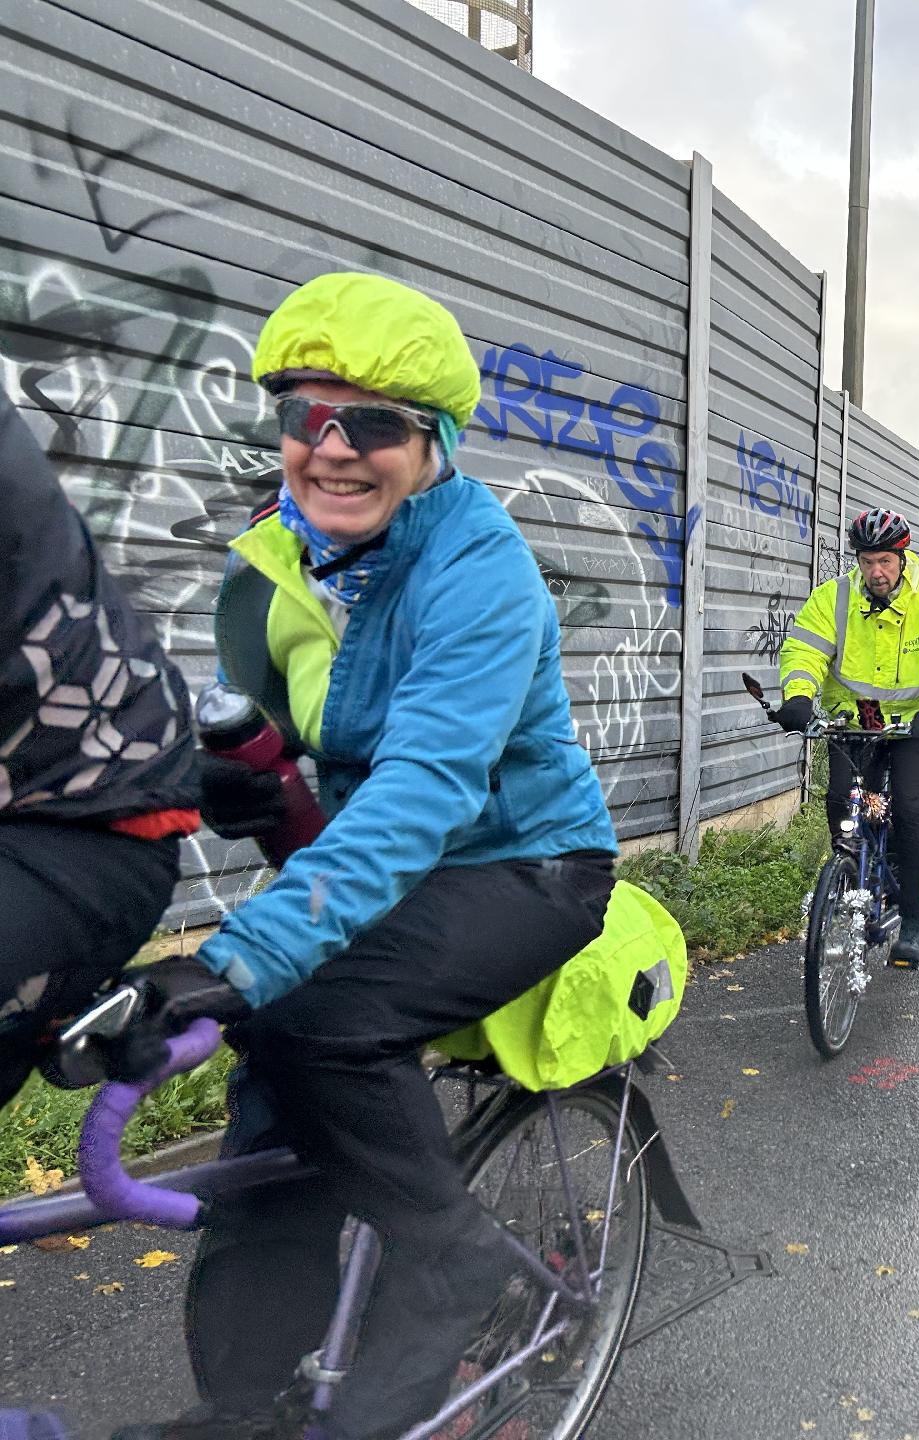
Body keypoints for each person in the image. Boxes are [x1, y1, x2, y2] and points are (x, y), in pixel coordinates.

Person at [113, 273, 620, 1440]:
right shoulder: (283, 563)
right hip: (382, 856)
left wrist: (244, 955)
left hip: (524, 864)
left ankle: (450, 1260)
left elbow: (428, 787)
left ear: (431, 442)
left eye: (374, 426)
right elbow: (299, 738)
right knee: (266, 1137)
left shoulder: (478, 571)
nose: (332, 451)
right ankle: (250, 1404)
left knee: (309, 1016)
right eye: (306, 417)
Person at [0, 392, 200, 1107]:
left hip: (85, 822)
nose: (331, 447)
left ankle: (446, 1223)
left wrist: (258, 958)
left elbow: (428, 781)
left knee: (333, 1031)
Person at [775, 508, 919, 968]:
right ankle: (852, 876)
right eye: (868, 561)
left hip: (916, 725)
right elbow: (805, 649)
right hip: (857, 723)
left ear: (902, 556)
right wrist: (798, 694)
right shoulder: (834, 598)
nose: (877, 571)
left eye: (886, 561)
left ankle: (914, 918)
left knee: (912, 805)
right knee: (841, 801)